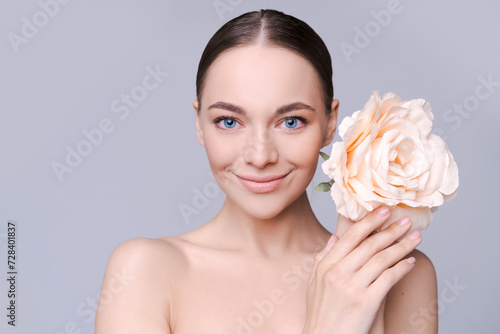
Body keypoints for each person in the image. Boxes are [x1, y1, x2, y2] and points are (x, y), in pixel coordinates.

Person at [95, 9, 438, 334]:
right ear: (199, 123)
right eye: (229, 122)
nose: (260, 156)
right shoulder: (144, 271)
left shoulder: (399, 274)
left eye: (291, 122)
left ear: (330, 122)